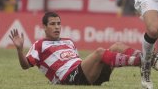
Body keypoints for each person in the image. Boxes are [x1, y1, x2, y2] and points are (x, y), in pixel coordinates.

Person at [9, 12, 142, 85]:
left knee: (117, 46)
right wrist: (20, 50)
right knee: (100, 53)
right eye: (52, 24)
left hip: (84, 75)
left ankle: (147, 58)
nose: (57, 27)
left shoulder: (69, 41)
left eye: (59, 24)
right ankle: (139, 62)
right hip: (69, 79)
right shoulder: (40, 45)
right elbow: (25, 65)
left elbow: (77, 61)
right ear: (44, 27)